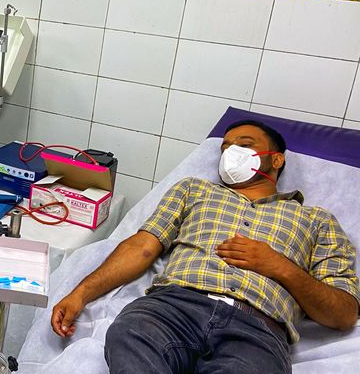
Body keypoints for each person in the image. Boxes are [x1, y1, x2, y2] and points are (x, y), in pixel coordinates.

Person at [51, 120, 360, 373]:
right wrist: (80, 294)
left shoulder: (317, 221)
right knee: (129, 334)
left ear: (276, 159)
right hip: (173, 307)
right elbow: (142, 247)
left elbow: (344, 313)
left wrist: (279, 266)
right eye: (225, 147)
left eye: (245, 145)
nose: (231, 152)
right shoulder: (193, 190)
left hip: (257, 329)